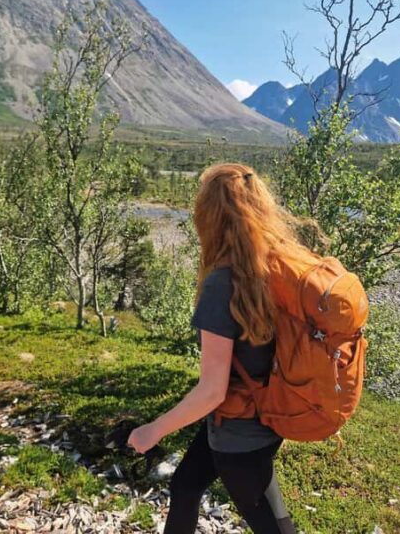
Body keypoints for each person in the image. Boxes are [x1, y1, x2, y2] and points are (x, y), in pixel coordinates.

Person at [128, 163, 318, 533]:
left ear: (210, 217)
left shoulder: (223, 284)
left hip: (241, 435)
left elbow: (212, 391)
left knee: (271, 525)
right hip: (258, 416)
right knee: (186, 484)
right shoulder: (274, 267)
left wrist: (153, 430)